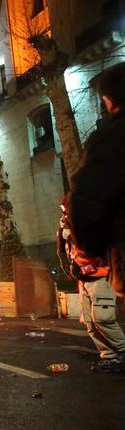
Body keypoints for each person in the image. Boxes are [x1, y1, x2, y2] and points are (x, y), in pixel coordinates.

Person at [65, 62, 125, 371]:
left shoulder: (112, 138)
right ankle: (111, 356)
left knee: (102, 316)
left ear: (110, 100)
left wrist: (93, 248)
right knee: (91, 317)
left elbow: (88, 197)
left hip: (103, 262)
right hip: (90, 269)